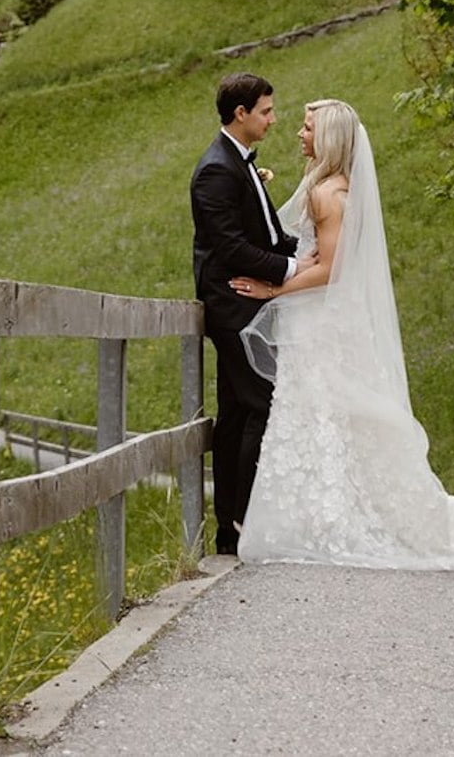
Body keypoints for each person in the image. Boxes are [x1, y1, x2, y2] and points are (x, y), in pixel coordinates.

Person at [230, 98, 454, 570]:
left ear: (326, 138)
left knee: (322, 415)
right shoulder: (333, 188)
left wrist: (272, 289)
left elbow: (330, 270)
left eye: (308, 128)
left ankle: (331, 517)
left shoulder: (329, 194)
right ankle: (320, 515)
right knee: (320, 417)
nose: (299, 134)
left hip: (318, 323)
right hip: (316, 318)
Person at [189, 72, 300, 555]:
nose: (273, 120)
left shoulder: (239, 164)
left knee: (236, 412)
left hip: (248, 303)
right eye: (267, 112)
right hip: (232, 305)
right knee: (263, 403)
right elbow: (230, 247)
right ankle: (245, 520)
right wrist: (292, 269)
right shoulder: (216, 169)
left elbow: (268, 234)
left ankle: (230, 533)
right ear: (241, 114)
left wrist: (313, 254)